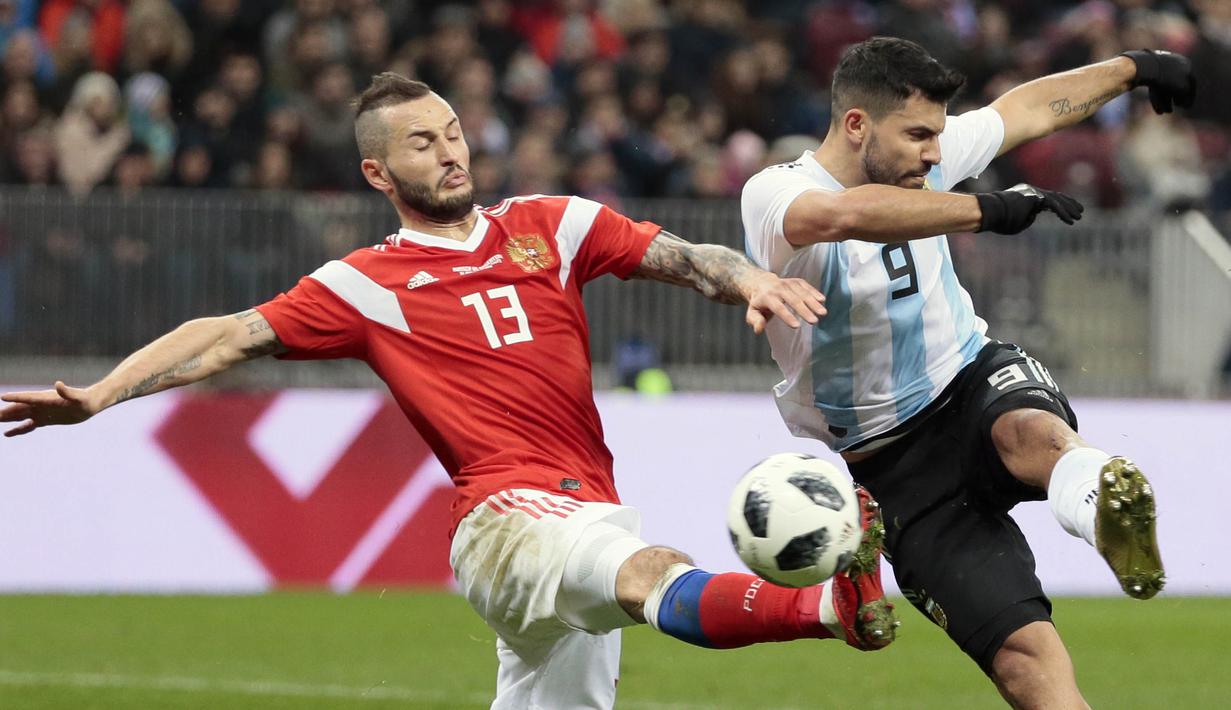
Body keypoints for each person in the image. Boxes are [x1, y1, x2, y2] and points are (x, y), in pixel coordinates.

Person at [1, 72, 965, 709]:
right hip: (505, 517)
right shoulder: (366, 281)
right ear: (380, 171)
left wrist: (747, 277)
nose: (449, 150)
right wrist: (103, 394)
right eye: (422, 143)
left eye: (454, 131)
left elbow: (682, 256)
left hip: (586, 498)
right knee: (645, 572)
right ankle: (825, 610)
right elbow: (225, 337)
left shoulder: (550, 223)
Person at [741, 37, 1192, 708]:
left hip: (969, 378)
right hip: (891, 464)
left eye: (938, 136)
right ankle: (1092, 497)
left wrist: (1134, 68)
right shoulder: (776, 192)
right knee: (1021, 657)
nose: (933, 152)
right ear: (856, 124)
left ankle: (1101, 500)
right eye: (918, 135)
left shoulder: (926, 154)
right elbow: (840, 216)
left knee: (1026, 431)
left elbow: (1027, 109)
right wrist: (988, 209)